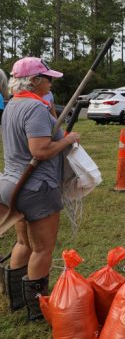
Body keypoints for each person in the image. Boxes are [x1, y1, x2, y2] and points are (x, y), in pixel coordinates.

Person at [0, 57, 80, 321]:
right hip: (37, 187)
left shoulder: (12, 105)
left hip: (12, 184)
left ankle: (18, 302)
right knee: (42, 249)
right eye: (47, 78)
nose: (51, 82)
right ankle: (37, 310)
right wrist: (68, 139)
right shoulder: (34, 109)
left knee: (23, 242)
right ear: (33, 81)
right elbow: (40, 151)